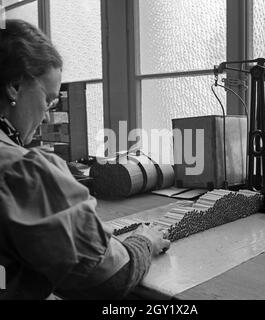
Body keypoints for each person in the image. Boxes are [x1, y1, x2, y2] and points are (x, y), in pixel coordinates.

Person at [0, 19, 170, 300]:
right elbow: (111, 279)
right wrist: (144, 241)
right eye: (48, 101)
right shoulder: (21, 169)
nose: (45, 117)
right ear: (15, 86)